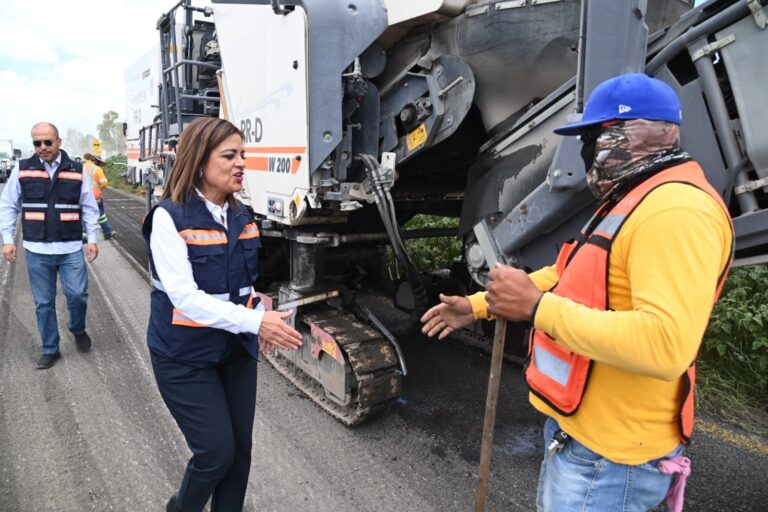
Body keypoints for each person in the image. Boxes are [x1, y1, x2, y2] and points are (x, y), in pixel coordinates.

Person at [420, 74, 733, 511]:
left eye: (594, 137)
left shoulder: (676, 211)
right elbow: (569, 273)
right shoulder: (633, 199)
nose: (586, 151)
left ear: (633, 135)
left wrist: (537, 309)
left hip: (612, 461)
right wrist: (478, 306)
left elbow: (665, 345)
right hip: (581, 438)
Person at [142, 117, 303, 512]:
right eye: (229, 155)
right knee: (215, 453)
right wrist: (254, 322)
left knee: (239, 456)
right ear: (199, 161)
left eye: (242, 155)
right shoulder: (169, 217)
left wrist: (261, 313)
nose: (240, 164)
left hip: (234, 352)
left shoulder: (242, 216)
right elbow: (185, 297)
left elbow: (244, 285)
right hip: (183, 356)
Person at [0, 122, 99, 369]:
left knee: (78, 295)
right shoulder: (22, 169)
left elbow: (89, 206)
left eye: (47, 142)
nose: (42, 147)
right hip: (37, 250)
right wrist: (8, 241)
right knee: (44, 303)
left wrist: (93, 239)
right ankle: (50, 348)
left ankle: (77, 328)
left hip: (70, 248)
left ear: (59, 141)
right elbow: (8, 205)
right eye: (37, 143)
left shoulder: (77, 170)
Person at [82, 152, 115, 240]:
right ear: (96, 160)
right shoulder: (97, 169)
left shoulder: (80, 167)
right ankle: (107, 233)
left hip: (82, 196)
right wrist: (100, 187)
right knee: (101, 215)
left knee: (84, 214)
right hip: (95, 196)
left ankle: (84, 237)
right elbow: (104, 182)